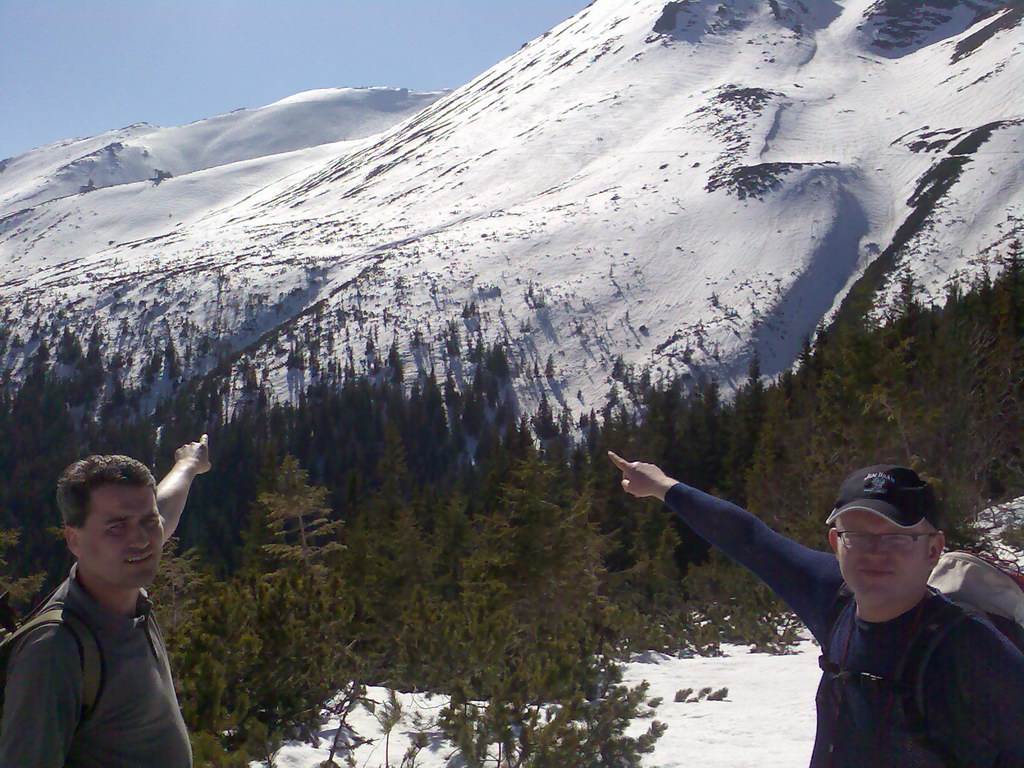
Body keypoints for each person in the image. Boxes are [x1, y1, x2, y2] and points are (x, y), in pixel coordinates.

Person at [608, 452, 1024, 767]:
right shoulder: (835, 598)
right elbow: (750, 538)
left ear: (934, 549)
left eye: (898, 537)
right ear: (835, 544)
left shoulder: (972, 650)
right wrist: (662, 485)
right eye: (858, 535)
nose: (876, 552)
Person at [0, 435, 212, 768]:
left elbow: (164, 511)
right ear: (74, 539)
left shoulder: (122, 589)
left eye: (148, 521)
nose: (142, 540)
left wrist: (188, 465)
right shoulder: (55, 650)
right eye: (116, 526)